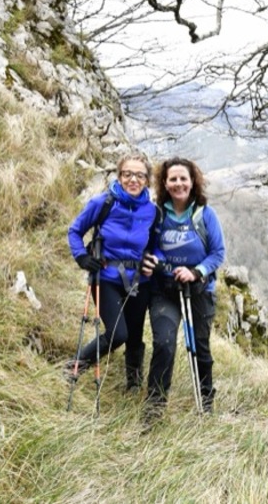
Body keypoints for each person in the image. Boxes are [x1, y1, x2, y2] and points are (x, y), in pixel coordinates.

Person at [141, 157, 226, 425]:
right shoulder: (158, 214)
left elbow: (218, 253)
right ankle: (154, 409)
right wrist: (154, 261)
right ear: (165, 183)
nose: (178, 184)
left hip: (198, 291)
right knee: (164, 344)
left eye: (183, 178)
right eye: (173, 179)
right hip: (164, 290)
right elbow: (149, 246)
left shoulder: (205, 215)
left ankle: (206, 403)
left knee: (200, 347)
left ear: (192, 182)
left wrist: (196, 271)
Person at [65, 152, 157, 392]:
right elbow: (74, 231)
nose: (133, 180)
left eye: (140, 175)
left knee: (135, 334)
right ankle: (74, 368)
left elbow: (155, 244)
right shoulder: (103, 203)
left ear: (147, 180)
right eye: (127, 174)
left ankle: (134, 384)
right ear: (119, 176)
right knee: (118, 334)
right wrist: (82, 257)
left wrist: (154, 260)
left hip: (139, 281)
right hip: (105, 278)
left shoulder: (152, 212)